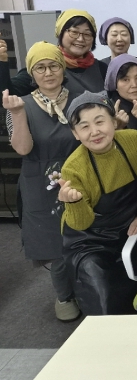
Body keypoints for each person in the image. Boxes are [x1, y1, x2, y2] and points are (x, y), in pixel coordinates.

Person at [2, 42, 81, 321]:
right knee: (55, 245)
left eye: (53, 66)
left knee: (83, 237)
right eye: (40, 68)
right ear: (32, 73)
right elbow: (23, 149)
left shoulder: (81, 99)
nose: (48, 73)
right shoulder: (19, 104)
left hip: (79, 176)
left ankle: (88, 289)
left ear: (63, 68)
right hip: (40, 183)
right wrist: (17, 114)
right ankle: (64, 295)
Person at [58, 91, 137, 315]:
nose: (95, 132)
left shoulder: (133, 140)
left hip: (130, 228)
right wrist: (74, 202)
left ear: (114, 121)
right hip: (88, 241)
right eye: (84, 127)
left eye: (100, 121)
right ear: (75, 134)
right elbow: (81, 223)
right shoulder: (73, 167)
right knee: (102, 296)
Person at [0, 9, 108, 97]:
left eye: (87, 34)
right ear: (61, 33)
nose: (80, 39)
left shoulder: (102, 69)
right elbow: (7, 95)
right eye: (74, 32)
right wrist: (2, 61)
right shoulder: (42, 66)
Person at [104, 54, 137, 133]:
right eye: (125, 80)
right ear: (114, 84)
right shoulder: (107, 109)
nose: (134, 85)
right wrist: (118, 129)